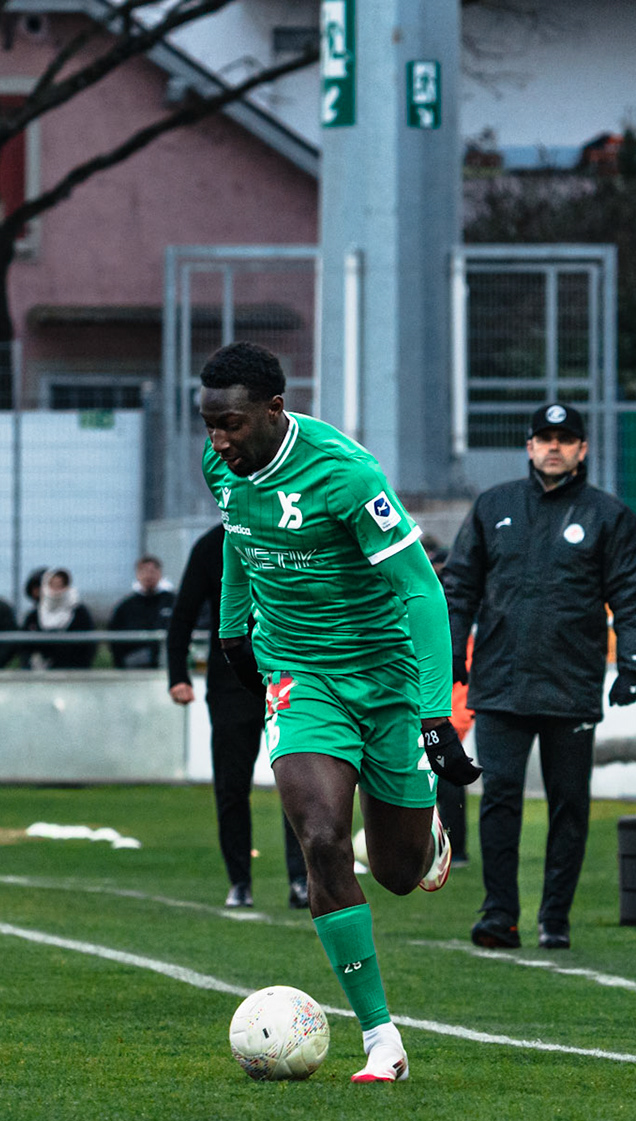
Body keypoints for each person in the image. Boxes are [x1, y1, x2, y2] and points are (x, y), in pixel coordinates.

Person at [197, 341, 479, 1083]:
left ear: (273, 410)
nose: (218, 442)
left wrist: (431, 713)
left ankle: (426, 843)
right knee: (320, 838)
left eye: (230, 425)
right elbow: (238, 537)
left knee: (392, 871)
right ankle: (381, 1038)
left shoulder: (348, 475)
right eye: (208, 425)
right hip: (299, 675)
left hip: (385, 681)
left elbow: (422, 590)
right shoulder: (221, 463)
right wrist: (232, 628)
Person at [444, 402, 636, 951]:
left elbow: (630, 599)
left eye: (566, 438)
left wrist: (632, 662)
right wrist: (451, 648)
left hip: (572, 684)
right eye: (544, 438)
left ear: (582, 450)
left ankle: (554, 917)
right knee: (500, 798)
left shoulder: (610, 516)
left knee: (569, 804)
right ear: (529, 446)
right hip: (500, 683)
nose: (554, 446)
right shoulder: (494, 506)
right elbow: (459, 585)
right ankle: (499, 915)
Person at [166, 524, 308, 909]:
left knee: (299, 781)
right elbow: (183, 615)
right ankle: (239, 881)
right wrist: (177, 675)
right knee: (231, 786)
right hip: (231, 685)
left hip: (288, 677)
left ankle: (302, 879)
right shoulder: (212, 544)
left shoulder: (286, 532)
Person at [109, 555, 175, 669]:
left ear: (160, 573)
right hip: (135, 666)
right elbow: (115, 636)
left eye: (152, 571)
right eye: (144, 571)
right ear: (137, 574)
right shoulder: (126, 606)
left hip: (169, 663)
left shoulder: (172, 601)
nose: (148, 575)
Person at [22, 568, 96, 669]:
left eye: (61, 585)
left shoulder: (79, 612)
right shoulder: (34, 615)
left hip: (74, 675)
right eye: (53, 585)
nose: (56, 590)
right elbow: (26, 648)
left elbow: (89, 645)